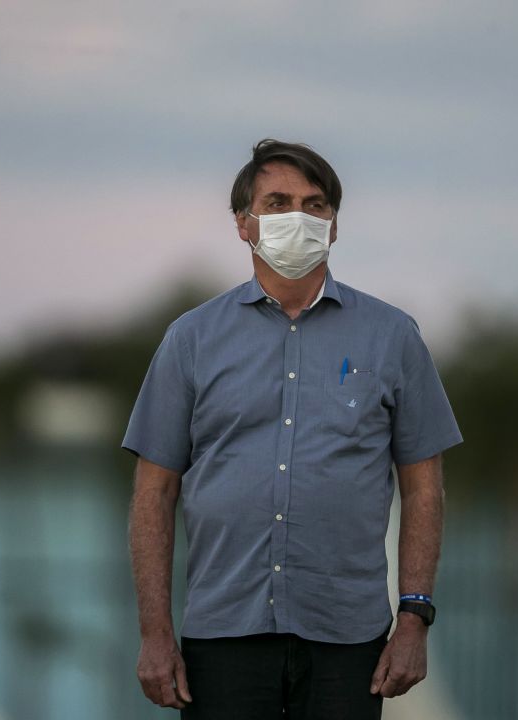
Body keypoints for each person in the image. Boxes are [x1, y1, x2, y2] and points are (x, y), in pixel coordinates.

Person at [123, 139, 462, 719]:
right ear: (243, 223)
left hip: (348, 638)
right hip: (223, 632)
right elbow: (154, 492)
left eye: (316, 204)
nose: (298, 218)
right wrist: (155, 633)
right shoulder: (191, 340)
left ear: (333, 227)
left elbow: (424, 489)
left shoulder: (393, 337)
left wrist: (414, 618)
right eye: (277, 202)